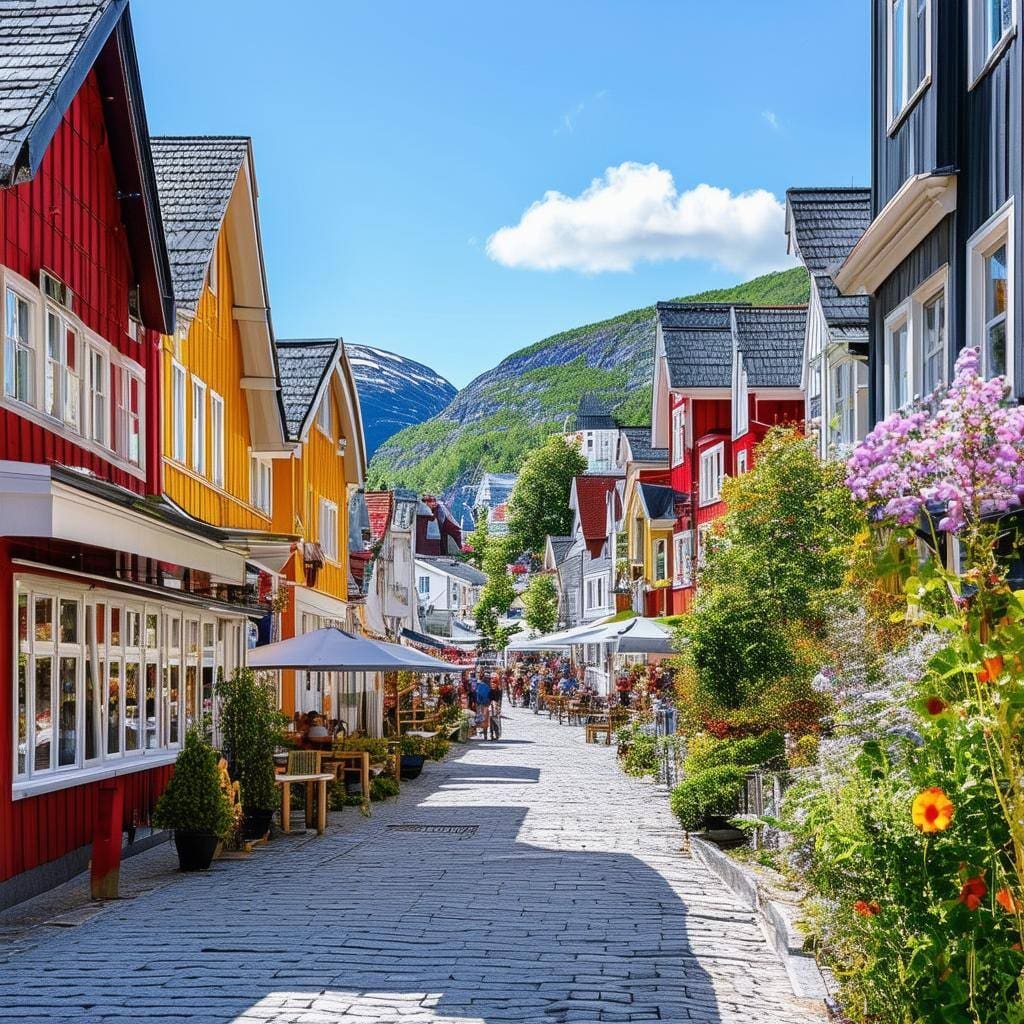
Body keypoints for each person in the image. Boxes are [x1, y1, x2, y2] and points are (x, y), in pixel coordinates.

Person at [475, 673, 491, 738]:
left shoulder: (481, 685)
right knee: (485, 719)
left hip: (483, 704)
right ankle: (484, 734)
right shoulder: (485, 686)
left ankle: (484, 733)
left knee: (483, 719)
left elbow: (478, 694)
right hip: (485, 704)